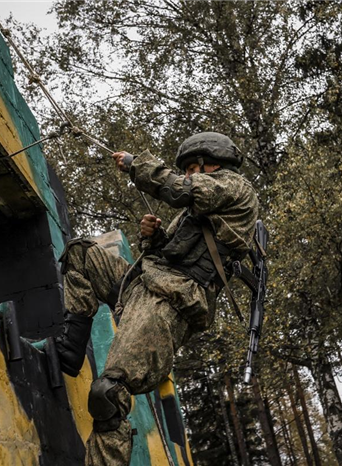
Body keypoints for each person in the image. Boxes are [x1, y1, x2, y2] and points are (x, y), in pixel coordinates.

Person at [54, 132, 259, 465]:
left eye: (194, 167)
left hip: (171, 301)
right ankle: (69, 350)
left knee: (107, 393)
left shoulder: (235, 188)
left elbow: (178, 190)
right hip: (143, 283)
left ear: (215, 163)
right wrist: (154, 238)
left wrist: (138, 165)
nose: (190, 174)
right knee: (80, 254)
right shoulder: (198, 210)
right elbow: (170, 254)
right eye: (188, 169)